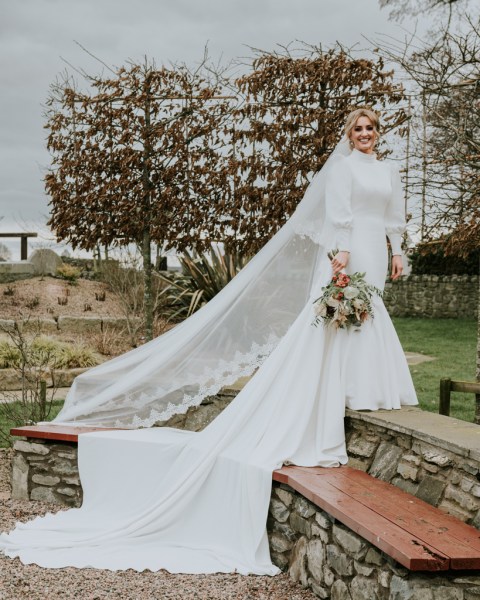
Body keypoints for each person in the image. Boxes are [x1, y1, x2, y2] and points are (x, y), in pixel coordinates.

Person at [0, 108, 417, 574]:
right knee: (340, 315)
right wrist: (340, 253)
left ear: (378, 133)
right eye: (357, 129)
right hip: (346, 248)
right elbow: (339, 213)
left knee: (369, 311)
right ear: (349, 135)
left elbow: (393, 214)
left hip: (375, 249)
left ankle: (370, 386)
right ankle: (342, 386)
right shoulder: (341, 169)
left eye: (370, 129)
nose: (365, 135)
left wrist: (397, 250)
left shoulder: (388, 170)